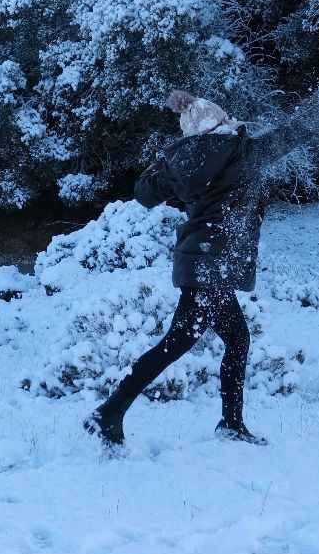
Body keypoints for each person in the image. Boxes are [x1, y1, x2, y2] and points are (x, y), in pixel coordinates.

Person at [85, 90, 269, 448]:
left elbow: (143, 193)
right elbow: (295, 134)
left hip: (200, 261)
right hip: (214, 266)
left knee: (236, 338)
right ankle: (109, 412)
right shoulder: (242, 152)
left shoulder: (179, 162)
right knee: (177, 342)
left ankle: (231, 423)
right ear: (222, 124)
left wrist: (167, 158)